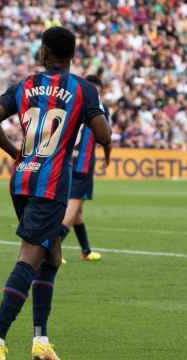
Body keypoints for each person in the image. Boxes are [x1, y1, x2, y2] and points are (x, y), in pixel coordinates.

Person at [0, 27, 112, 360]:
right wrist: (98, 111)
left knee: (51, 257)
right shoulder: (83, 89)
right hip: (51, 186)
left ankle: (41, 341)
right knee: (32, 255)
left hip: (22, 180)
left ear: (43, 53)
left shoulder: (24, 85)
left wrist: (14, 153)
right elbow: (103, 135)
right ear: (72, 55)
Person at [61, 75, 109, 262]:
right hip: (83, 165)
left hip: (67, 161)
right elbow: (105, 136)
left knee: (77, 212)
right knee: (72, 209)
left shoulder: (72, 103)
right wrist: (107, 155)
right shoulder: (99, 107)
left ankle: (86, 251)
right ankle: (50, 248)